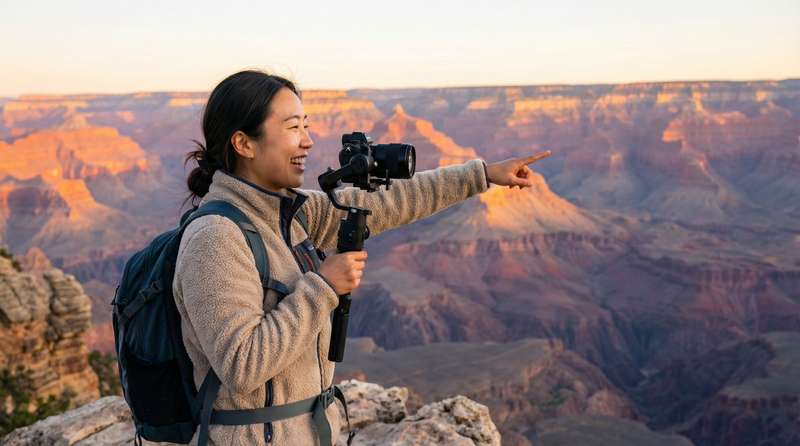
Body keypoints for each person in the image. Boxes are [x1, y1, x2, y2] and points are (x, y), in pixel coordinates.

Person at [174, 70, 550, 445]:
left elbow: (387, 201)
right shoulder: (215, 238)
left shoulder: (291, 213)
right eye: (292, 128)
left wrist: (482, 175)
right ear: (244, 143)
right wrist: (322, 287)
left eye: (306, 126)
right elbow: (242, 364)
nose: (308, 141)